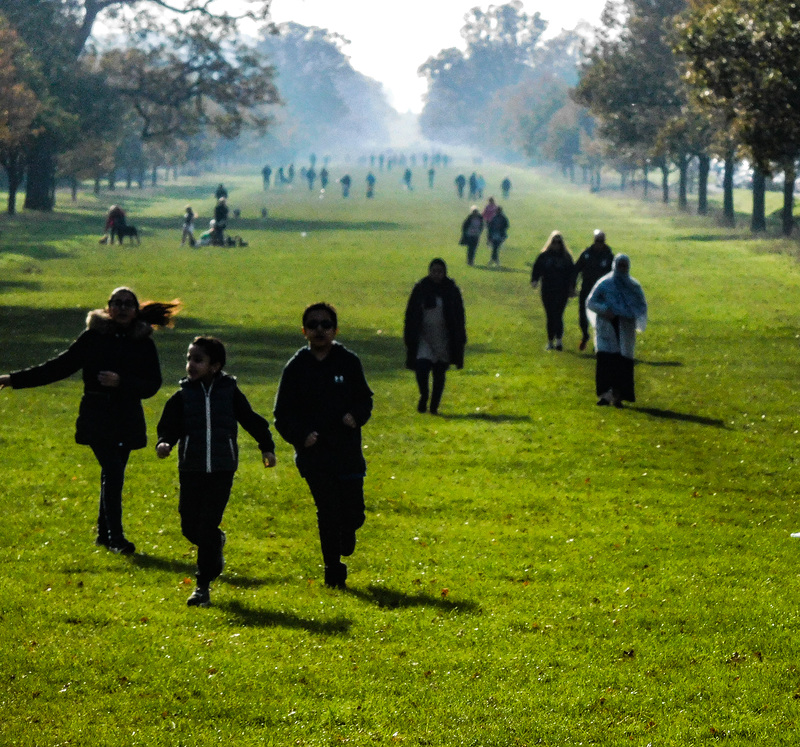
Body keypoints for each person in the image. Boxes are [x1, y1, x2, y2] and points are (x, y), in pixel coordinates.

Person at [0, 287, 178, 553]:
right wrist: (14, 380)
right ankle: (116, 538)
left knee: (113, 474)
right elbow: (59, 366)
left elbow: (152, 384)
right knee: (114, 472)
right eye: (116, 303)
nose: (122, 307)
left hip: (127, 415)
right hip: (97, 415)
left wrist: (122, 382)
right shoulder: (93, 338)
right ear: (108, 308)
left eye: (128, 303)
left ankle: (104, 536)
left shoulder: (143, 343)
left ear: (136, 309)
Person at [156, 336, 277, 607]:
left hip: (222, 469)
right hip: (191, 468)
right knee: (190, 525)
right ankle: (216, 543)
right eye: (189, 358)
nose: (191, 364)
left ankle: (202, 587)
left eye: (198, 360)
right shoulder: (183, 395)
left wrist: (266, 447)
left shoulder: (230, 392)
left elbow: (251, 419)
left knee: (207, 523)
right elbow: (169, 425)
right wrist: (164, 442)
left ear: (215, 366)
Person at [273, 303, 373, 589]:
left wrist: (356, 416)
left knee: (353, 514)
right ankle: (332, 569)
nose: (320, 330)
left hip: (347, 453)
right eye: (313, 325)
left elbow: (365, 399)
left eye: (326, 324)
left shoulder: (348, 362)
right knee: (327, 510)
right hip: (314, 455)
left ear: (335, 330)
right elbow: (282, 414)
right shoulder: (296, 367)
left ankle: (348, 529)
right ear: (304, 331)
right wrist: (301, 435)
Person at [403, 259, 466, 415]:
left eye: (440, 271)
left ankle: (434, 406)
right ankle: (424, 395)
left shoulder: (451, 290)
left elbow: (459, 315)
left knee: (439, 373)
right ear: (429, 271)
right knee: (422, 368)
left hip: (444, 337)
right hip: (424, 336)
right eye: (434, 271)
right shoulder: (420, 289)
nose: (437, 274)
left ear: (444, 273)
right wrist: (410, 334)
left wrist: (459, 336)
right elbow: (410, 313)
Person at [586, 254, 647, 407]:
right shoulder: (605, 284)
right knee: (606, 361)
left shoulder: (634, 287)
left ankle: (618, 395)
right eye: (619, 265)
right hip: (607, 325)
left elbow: (641, 306)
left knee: (623, 363)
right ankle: (605, 395)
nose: (622, 268)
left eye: (624, 266)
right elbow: (591, 302)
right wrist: (605, 310)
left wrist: (630, 313)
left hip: (625, 327)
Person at [530, 231, 575, 351]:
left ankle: (559, 340)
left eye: (558, 242)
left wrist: (572, 288)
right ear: (551, 242)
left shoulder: (566, 257)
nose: (556, 244)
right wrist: (534, 280)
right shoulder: (544, 256)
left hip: (562, 290)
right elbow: (537, 268)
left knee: (558, 315)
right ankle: (550, 341)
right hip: (547, 289)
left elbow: (572, 273)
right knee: (550, 315)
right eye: (554, 242)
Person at [573, 229, 614, 351]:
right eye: (597, 241)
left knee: (600, 318)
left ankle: (599, 342)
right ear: (594, 240)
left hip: (602, 293)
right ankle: (585, 335)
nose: (599, 244)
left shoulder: (609, 256)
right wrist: (572, 285)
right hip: (586, 289)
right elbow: (576, 269)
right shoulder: (586, 254)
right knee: (582, 314)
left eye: (601, 241)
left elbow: (614, 274)